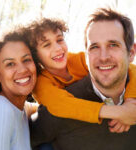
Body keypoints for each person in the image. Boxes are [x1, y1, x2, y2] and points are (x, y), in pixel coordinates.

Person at [30, 8, 136, 150]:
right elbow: (60, 105)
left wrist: (130, 102)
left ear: (131, 52)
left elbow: (132, 69)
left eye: (113, 45)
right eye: (46, 45)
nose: (57, 48)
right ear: (35, 56)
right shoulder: (41, 83)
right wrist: (119, 112)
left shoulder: (77, 60)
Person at [0, 28, 40, 150]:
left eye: (26, 60)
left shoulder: (20, 108)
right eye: (10, 64)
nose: (22, 69)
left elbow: (40, 107)